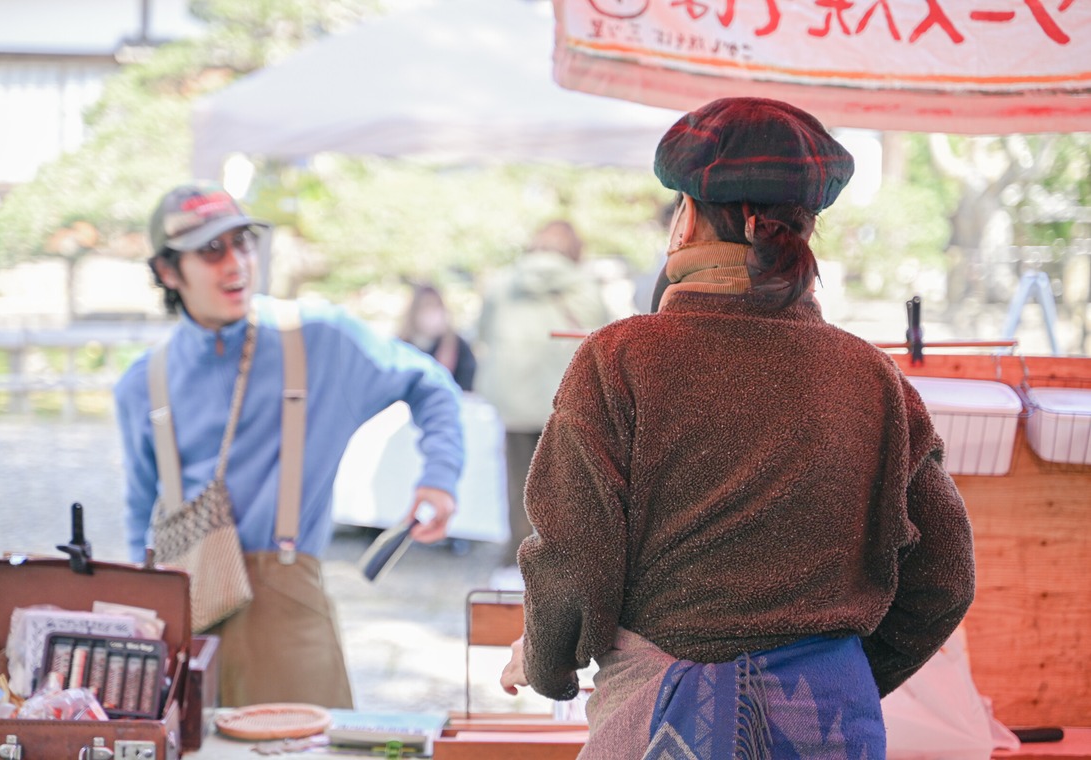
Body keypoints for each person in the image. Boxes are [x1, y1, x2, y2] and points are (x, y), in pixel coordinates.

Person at [499, 98, 975, 758]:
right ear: (807, 228)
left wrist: (546, 661)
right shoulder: (874, 378)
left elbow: (576, 554)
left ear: (685, 220)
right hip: (832, 721)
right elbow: (945, 577)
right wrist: (840, 676)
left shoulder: (623, 357)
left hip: (665, 711)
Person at [114, 182, 463, 708]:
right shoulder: (143, 381)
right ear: (168, 271)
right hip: (185, 614)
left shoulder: (320, 339)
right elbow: (141, 515)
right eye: (211, 250)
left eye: (242, 242)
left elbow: (430, 383)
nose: (236, 263)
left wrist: (438, 477)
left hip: (287, 605)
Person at [473, 220, 610, 574]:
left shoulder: (502, 284)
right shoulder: (583, 286)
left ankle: (517, 559)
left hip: (513, 399)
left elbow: (483, 332)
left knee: (519, 481)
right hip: (566, 400)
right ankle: (561, 563)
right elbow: (603, 335)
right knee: (564, 483)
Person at [397, 282, 477, 391]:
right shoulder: (401, 346)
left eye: (437, 306)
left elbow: (466, 386)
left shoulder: (458, 346)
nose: (433, 314)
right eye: (427, 307)